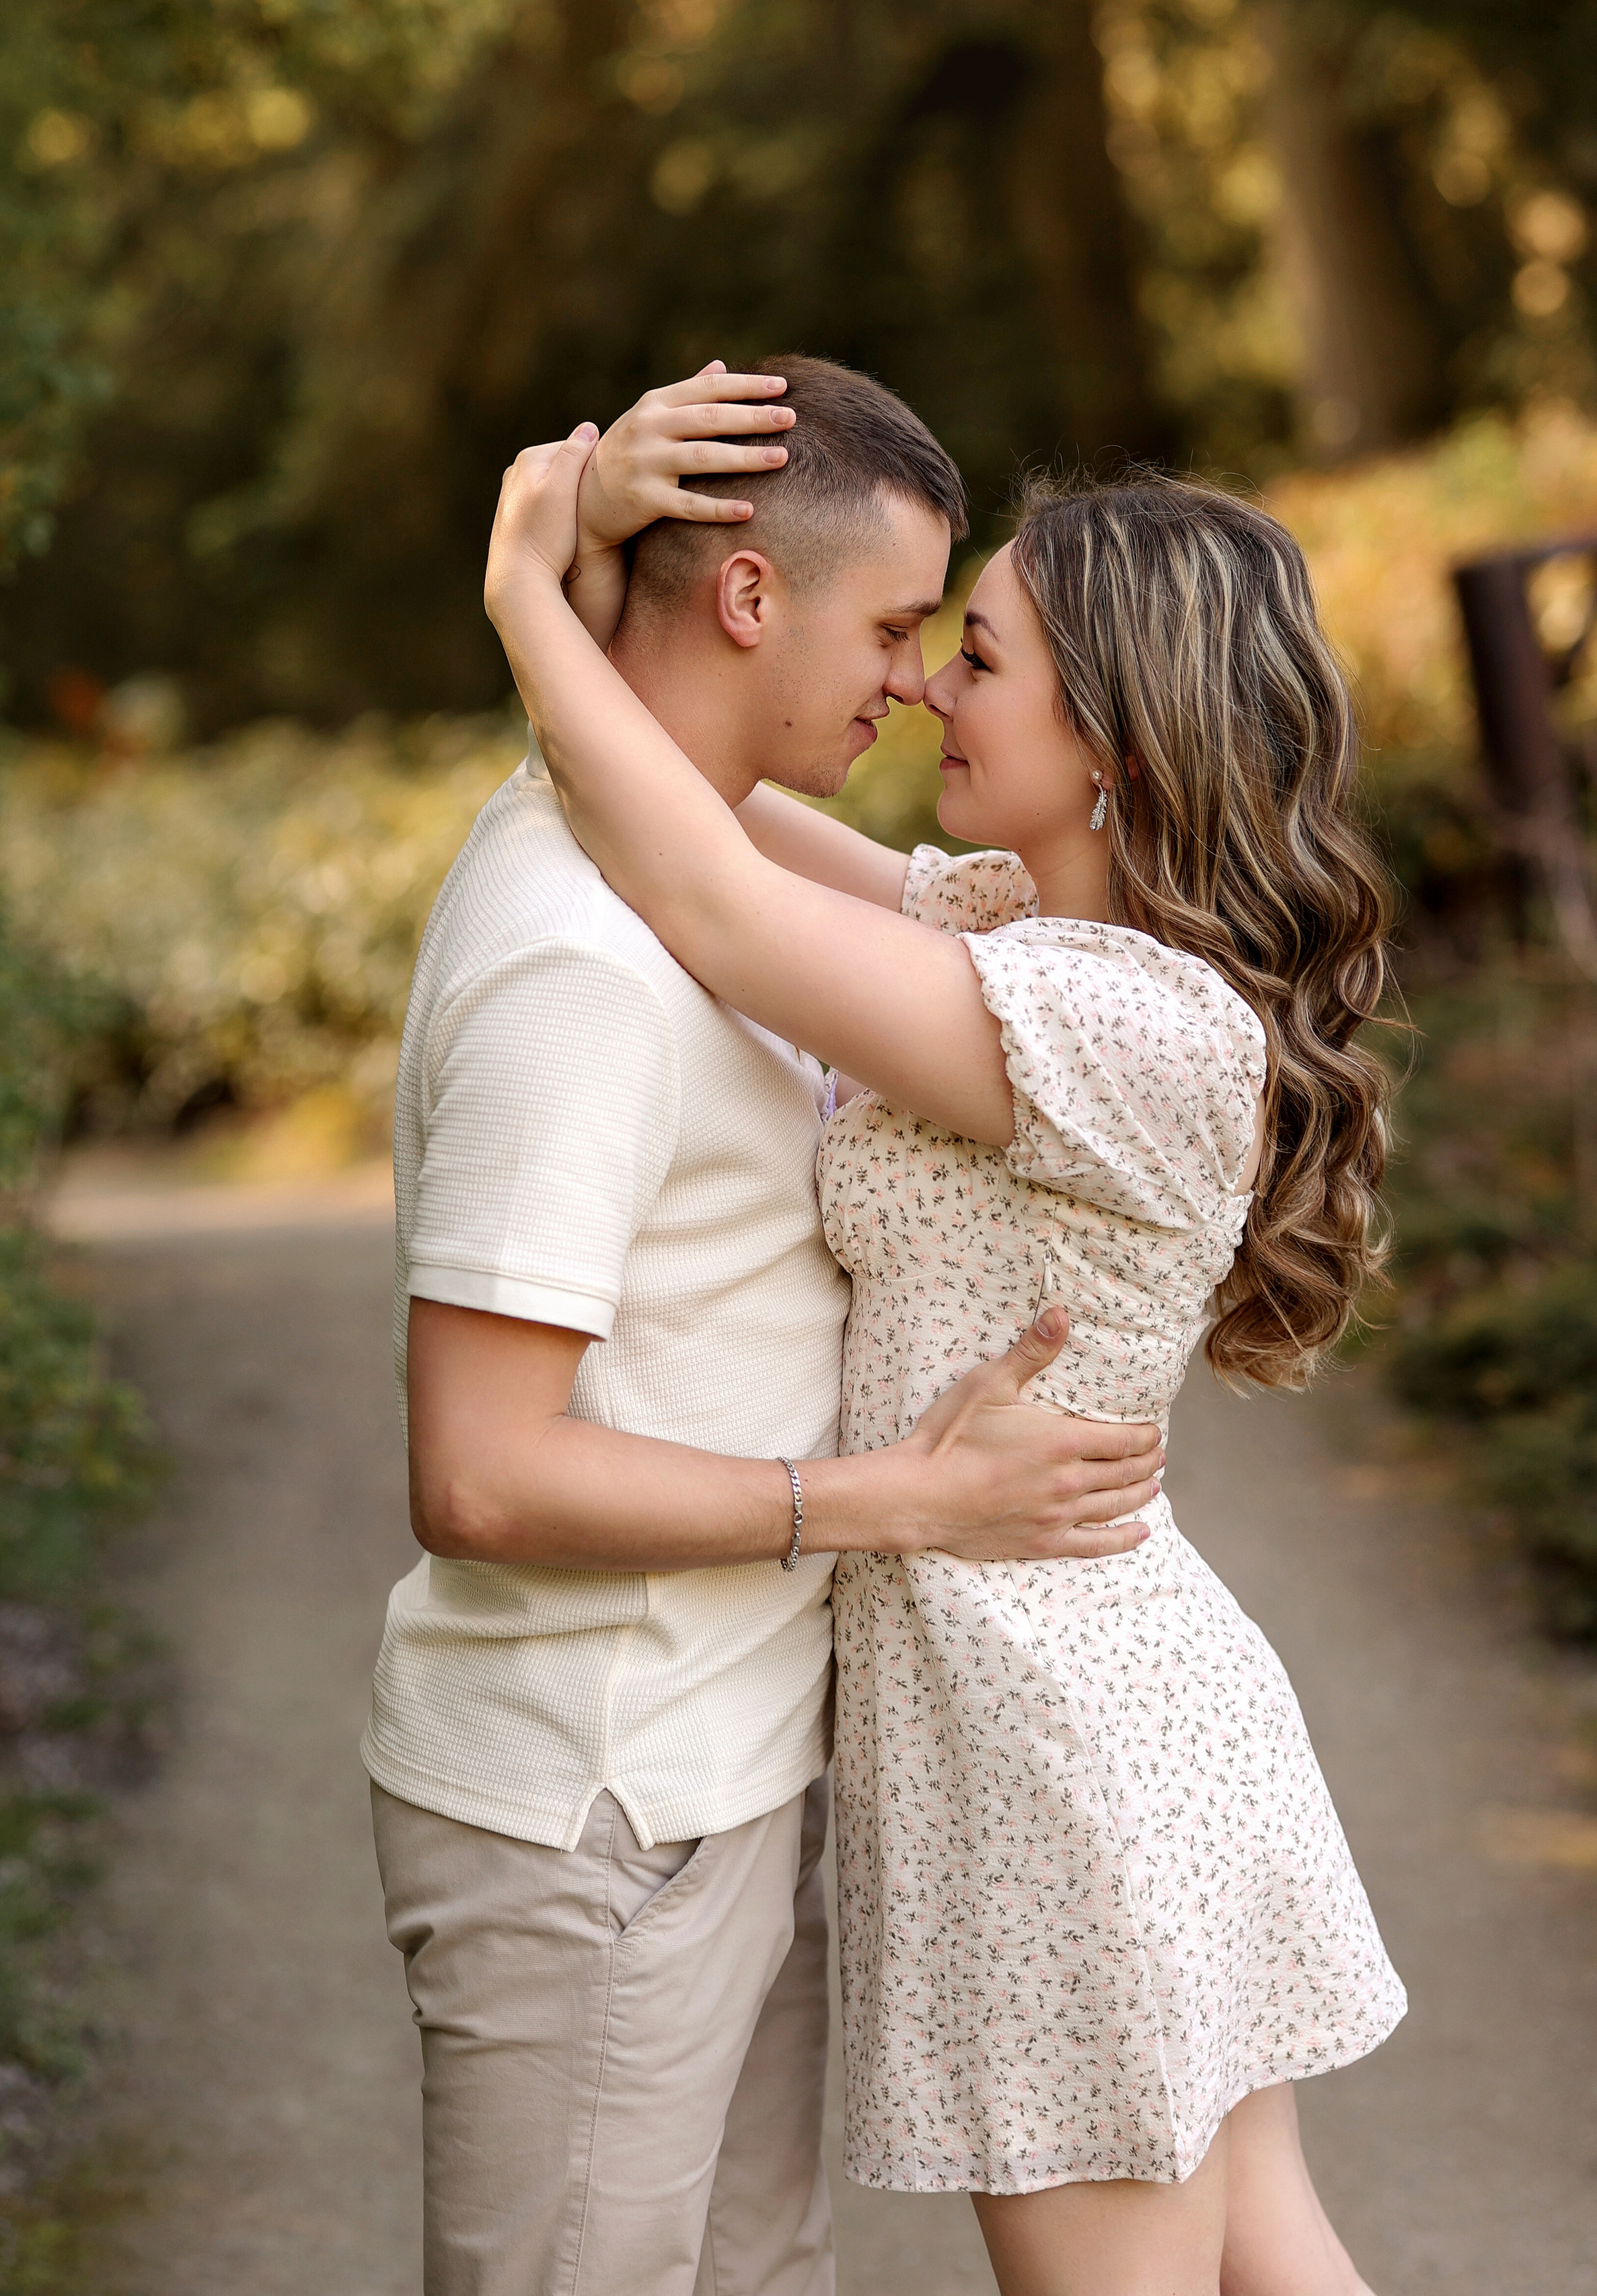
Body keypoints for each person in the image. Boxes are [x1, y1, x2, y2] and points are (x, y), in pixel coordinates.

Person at [483, 377, 1409, 2296]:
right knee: (1270, 2258)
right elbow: (701, 784)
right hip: (1107, 1714)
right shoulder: (1022, 941)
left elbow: (712, 901)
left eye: (970, 656)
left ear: (1116, 750)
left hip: (1061, 1757)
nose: (918, 693)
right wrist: (608, 582)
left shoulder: (1120, 1031)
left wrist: (516, 599)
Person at [363, 359, 1170, 2296]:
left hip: (725, 1778)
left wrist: (546, 587)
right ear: (746, 600)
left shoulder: (681, 872)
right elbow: (476, 1475)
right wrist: (892, 1497)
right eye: (898, 627)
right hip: (596, 1805)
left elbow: (688, 820)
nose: (914, 682)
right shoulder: (576, 966)